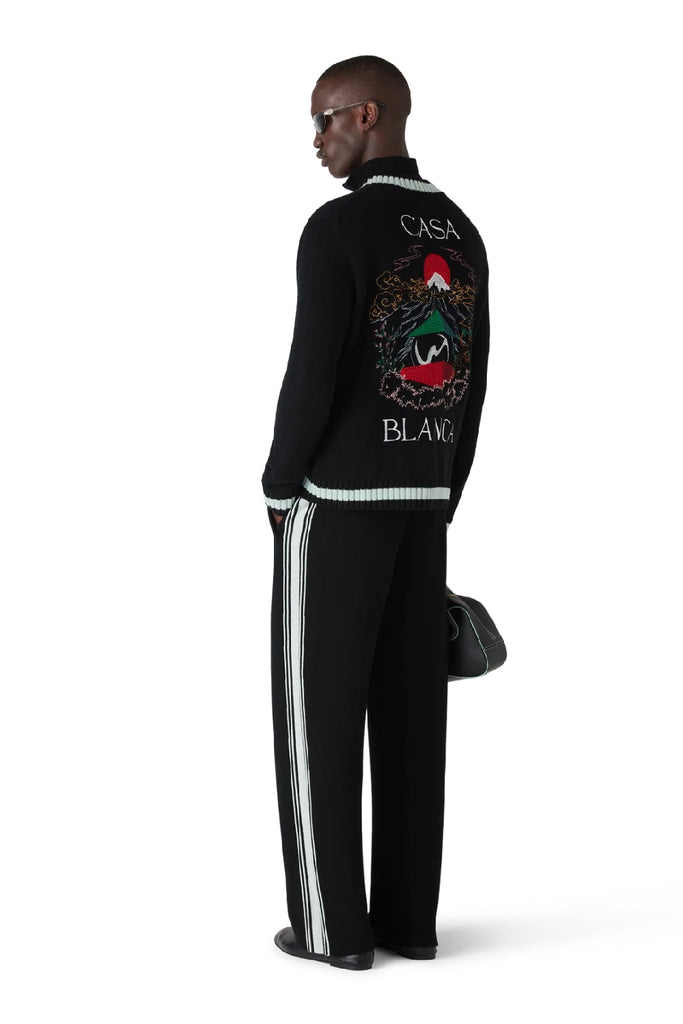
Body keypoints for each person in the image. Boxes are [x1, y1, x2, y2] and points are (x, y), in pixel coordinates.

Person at [262, 55, 491, 970]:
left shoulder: (339, 227)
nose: (316, 141)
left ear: (367, 115)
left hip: (338, 504)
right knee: (410, 718)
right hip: (423, 502)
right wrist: (443, 491)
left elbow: (311, 373)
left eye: (323, 120)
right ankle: (406, 922)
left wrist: (279, 487)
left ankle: (333, 932)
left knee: (316, 718)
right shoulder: (460, 230)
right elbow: (472, 380)